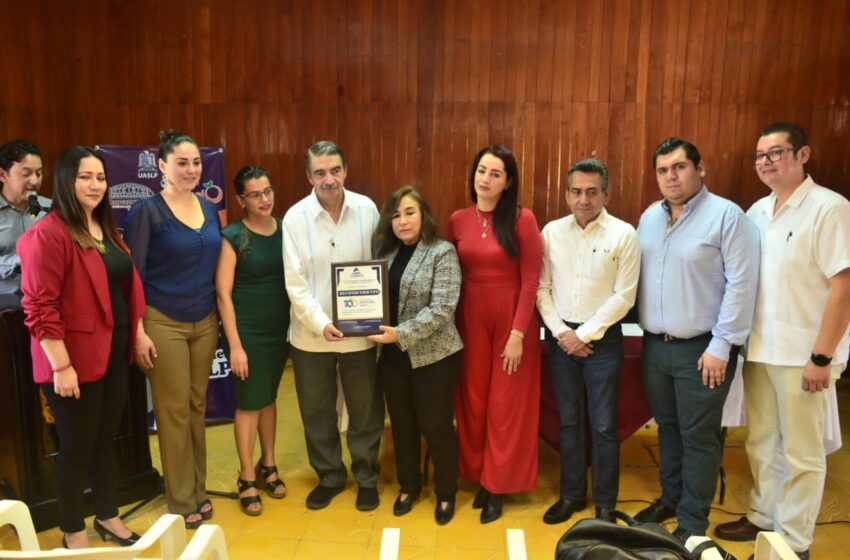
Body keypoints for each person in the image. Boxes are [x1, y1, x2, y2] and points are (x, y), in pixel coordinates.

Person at [714, 122, 850, 560]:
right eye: (759, 155)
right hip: (760, 349)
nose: (766, 162)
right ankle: (763, 517)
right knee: (762, 440)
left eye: (776, 152)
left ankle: (793, 543)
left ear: (803, 155)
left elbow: (843, 287)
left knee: (802, 452)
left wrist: (822, 356)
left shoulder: (830, 209)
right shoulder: (756, 211)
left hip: (805, 355)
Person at [18, 146, 148, 548]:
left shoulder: (105, 229)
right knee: (76, 446)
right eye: (85, 177)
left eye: (100, 177)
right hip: (71, 360)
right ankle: (72, 529)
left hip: (113, 351)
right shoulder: (47, 233)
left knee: (104, 438)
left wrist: (139, 331)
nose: (95, 185)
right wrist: (61, 367)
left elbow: (122, 286)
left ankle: (108, 516)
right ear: (65, 181)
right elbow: (40, 307)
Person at [635, 137, 759, 543]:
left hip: (703, 349)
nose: (671, 176)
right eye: (662, 169)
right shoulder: (649, 218)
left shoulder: (728, 216)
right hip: (656, 345)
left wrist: (722, 346)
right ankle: (671, 499)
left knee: (699, 436)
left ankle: (692, 521)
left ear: (700, 169)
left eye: (679, 167)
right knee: (667, 429)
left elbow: (742, 286)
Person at [123, 130, 222, 528]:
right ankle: (181, 499)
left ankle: (198, 487)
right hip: (162, 321)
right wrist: (139, 330)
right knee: (174, 411)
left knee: (197, 407)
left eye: (196, 162)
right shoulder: (146, 211)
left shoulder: (208, 208)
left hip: (205, 320)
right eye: (181, 162)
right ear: (162, 166)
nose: (191, 169)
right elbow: (133, 276)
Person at [536, 158, 640, 524]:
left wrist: (581, 335)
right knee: (569, 422)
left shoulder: (624, 234)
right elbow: (542, 288)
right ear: (566, 194)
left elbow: (624, 297)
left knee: (604, 425)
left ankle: (606, 505)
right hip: (561, 338)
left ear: (606, 194)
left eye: (592, 192)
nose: (584, 199)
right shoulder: (550, 232)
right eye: (577, 192)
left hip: (604, 342)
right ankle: (571, 495)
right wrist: (563, 334)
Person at [282, 140, 384, 512]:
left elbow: (378, 265)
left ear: (346, 170)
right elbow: (295, 284)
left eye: (335, 170)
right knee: (317, 412)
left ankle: (367, 477)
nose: (329, 179)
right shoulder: (294, 218)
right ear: (309, 176)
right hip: (311, 337)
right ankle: (329, 476)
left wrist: (375, 315)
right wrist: (323, 324)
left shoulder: (367, 209)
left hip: (360, 336)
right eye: (320, 172)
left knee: (364, 410)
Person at [448, 145, 543, 524]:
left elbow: (532, 279)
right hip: (469, 316)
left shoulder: (522, 219)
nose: (485, 179)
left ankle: (499, 485)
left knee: (506, 406)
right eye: (481, 170)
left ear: (508, 182)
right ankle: (479, 475)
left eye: (495, 173)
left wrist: (518, 332)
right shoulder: (457, 219)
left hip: (511, 319)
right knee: (473, 400)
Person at [368, 186, 463, 525]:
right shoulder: (386, 255)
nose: (403, 220)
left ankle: (446, 492)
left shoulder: (442, 252)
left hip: (435, 358)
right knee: (403, 427)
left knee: (436, 427)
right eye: (395, 215)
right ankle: (409, 486)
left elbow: (442, 310)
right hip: (393, 359)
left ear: (423, 215)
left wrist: (400, 334)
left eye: (409, 212)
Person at [216, 166, 290, 516]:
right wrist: (235, 345)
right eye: (256, 194)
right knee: (249, 403)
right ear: (241, 200)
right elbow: (223, 295)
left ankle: (268, 465)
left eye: (268, 191)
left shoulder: (286, 230)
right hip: (247, 332)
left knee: (269, 398)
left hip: (280, 331)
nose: (265, 199)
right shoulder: (233, 236)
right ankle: (246, 477)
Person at [0, 139, 50, 295]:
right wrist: (20, 260)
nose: (34, 181)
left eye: (39, 173)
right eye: (26, 174)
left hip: (48, 301)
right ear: (2, 174)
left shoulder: (53, 209)